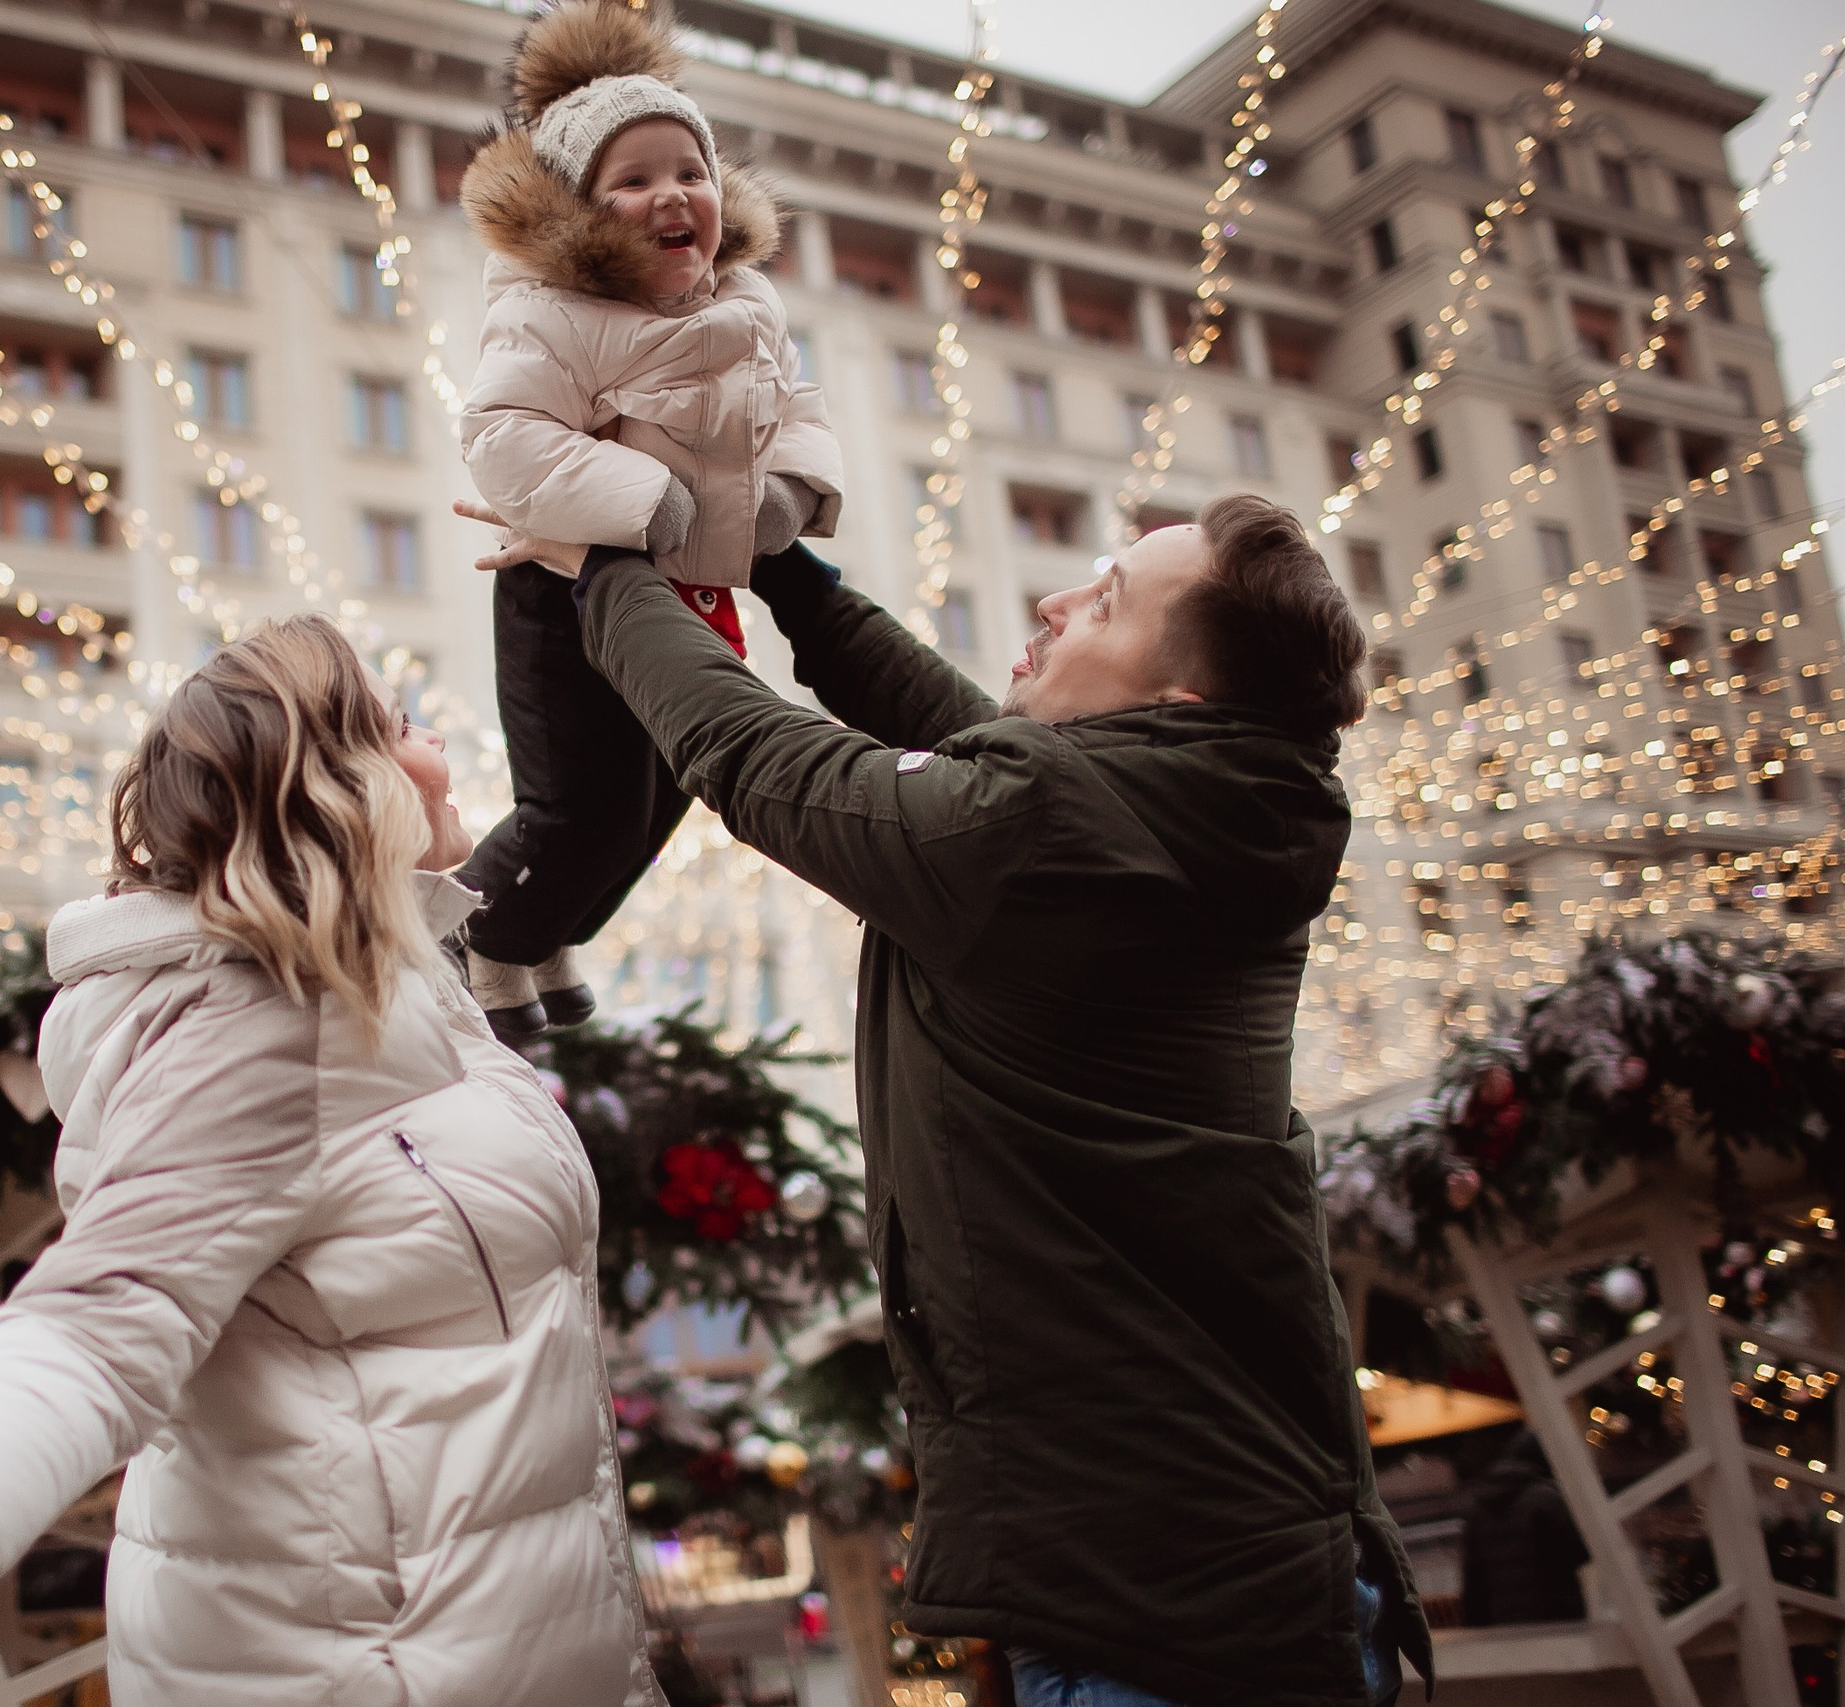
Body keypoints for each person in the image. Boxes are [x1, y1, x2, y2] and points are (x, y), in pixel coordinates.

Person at [0, 616, 663, 1707]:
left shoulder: (397, 976)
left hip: (464, 1642)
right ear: (345, 780)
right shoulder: (279, 1022)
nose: (437, 747)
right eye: (404, 726)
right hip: (367, 1668)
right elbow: (100, 1317)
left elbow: (586, 815)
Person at [547, 498, 1435, 1706]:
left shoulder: (1046, 832)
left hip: (1163, 1613)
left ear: (1177, 704)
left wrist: (599, 564)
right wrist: (776, 569)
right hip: (1237, 1577)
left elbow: (758, 759)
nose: (1054, 605)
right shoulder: (1197, 813)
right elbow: (951, 728)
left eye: (1106, 601)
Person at [451, 0, 843, 1041]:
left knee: (667, 795)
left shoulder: (746, 302)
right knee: (577, 808)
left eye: (690, 171)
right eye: (633, 180)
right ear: (582, 208)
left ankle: (545, 928)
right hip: (569, 586)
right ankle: (480, 940)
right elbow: (503, 432)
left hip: (686, 591)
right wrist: (647, 500)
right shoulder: (550, 308)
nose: (671, 195)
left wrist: (790, 492)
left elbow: (795, 408)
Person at [1461, 1431, 1589, 1626]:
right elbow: (1582, 1552)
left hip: (1501, 1620)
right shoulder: (1547, 1500)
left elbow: (1472, 1575)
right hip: (1556, 1617)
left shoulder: (1478, 1507)